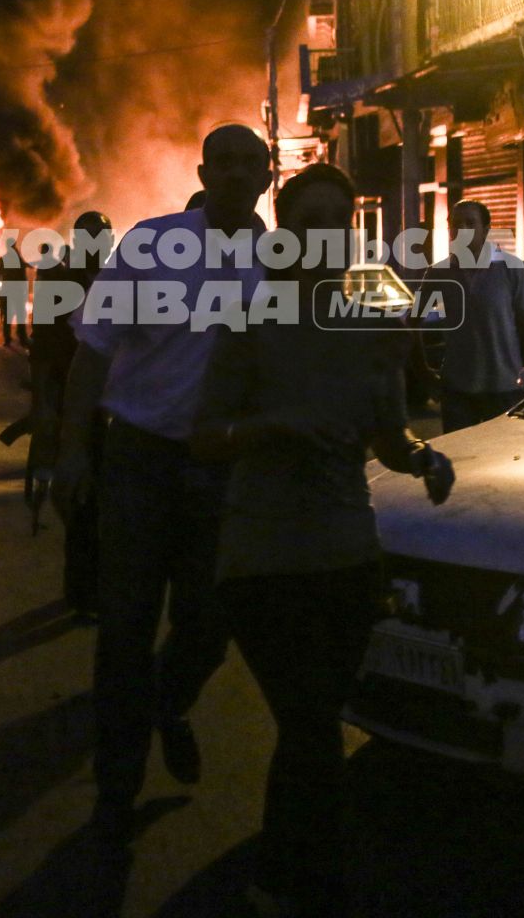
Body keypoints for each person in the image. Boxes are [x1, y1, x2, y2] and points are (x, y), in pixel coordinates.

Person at [192, 162, 454, 917]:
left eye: (339, 222)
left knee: (317, 726)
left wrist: (420, 458)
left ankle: (291, 876)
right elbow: (205, 436)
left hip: (346, 555)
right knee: (308, 724)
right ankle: (297, 881)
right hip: (263, 560)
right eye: (310, 222)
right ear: (287, 231)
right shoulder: (250, 318)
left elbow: (385, 429)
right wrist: (273, 427)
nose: (327, 236)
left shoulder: (372, 320)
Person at [51, 124, 272, 863]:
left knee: (212, 620)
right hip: (140, 460)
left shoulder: (284, 261)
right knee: (125, 629)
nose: (240, 173)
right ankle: (116, 794)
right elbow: (92, 356)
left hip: (225, 468)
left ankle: (169, 704)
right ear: (205, 172)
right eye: (227, 162)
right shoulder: (150, 245)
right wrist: (74, 449)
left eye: (253, 163)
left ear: (268, 176)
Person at [27, 211, 113, 616]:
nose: (102, 243)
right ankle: (84, 593)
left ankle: (96, 586)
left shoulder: (118, 280)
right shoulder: (60, 282)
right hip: (73, 402)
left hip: (115, 406)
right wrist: (43, 406)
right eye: (94, 236)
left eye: (106, 236)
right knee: (81, 501)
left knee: (105, 503)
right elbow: (42, 348)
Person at [425, 198, 524, 432]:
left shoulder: (512, 268)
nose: (463, 230)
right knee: (461, 461)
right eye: (456, 224)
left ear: (486, 230)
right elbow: (412, 324)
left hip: (504, 387)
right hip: (458, 389)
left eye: (470, 223)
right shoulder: (438, 273)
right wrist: (423, 373)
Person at [0, 238, 28, 346]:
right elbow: (23, 275)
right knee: (20, 314)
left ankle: (7, 339)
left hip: (7, 290)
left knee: (7, 316)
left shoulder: (4, 259)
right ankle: (22, 336)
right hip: (18, 291)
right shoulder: (18, 258)